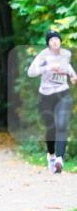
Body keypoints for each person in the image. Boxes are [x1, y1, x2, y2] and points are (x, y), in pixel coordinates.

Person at [27, 30, 77, 173]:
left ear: (60, 41)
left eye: (57, 39)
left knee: (62, 125)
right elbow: (31, 73)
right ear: (48, 43)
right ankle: (51, 155)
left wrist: (73, 77)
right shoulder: (43, 55)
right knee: (51, 128)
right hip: (46, 95)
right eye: (51, 39)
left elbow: (69, 70)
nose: (55, 41)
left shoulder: (65, 54)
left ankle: (60, 159)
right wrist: (47, 67)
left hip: (63, 93)